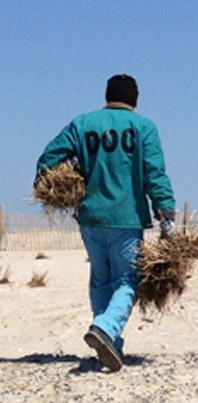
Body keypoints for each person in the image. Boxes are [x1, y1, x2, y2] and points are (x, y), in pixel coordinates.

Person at [34, 74, 176, 371]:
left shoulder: (83, 123)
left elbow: (49, 157)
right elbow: (154, 173)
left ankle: (109, 340)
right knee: (127, 280)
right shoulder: (144, 128)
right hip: (126, 219)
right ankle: (106, 329)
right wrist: (166, 213)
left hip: (90, 218)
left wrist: (50, 185)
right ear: (135, 99)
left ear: (107, 95)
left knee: (101, 279)